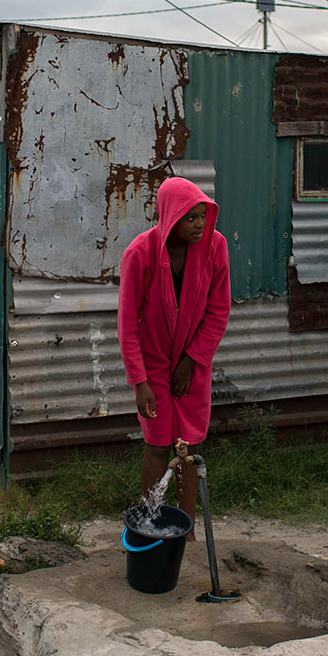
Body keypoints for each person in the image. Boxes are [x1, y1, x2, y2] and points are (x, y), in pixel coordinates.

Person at [117, 176, 231, 538]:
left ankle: (187, 527)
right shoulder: (140, 253)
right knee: (157, 445)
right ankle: (149, 525)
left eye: (202, 215)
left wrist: (191, 361)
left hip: (193, 364)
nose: (199, 224)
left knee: (190, 447)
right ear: (170, 218)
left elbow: (218, 311)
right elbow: (127, 323)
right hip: (152, 366)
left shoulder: (216, 248)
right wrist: (140, 381)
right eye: (190, 218)